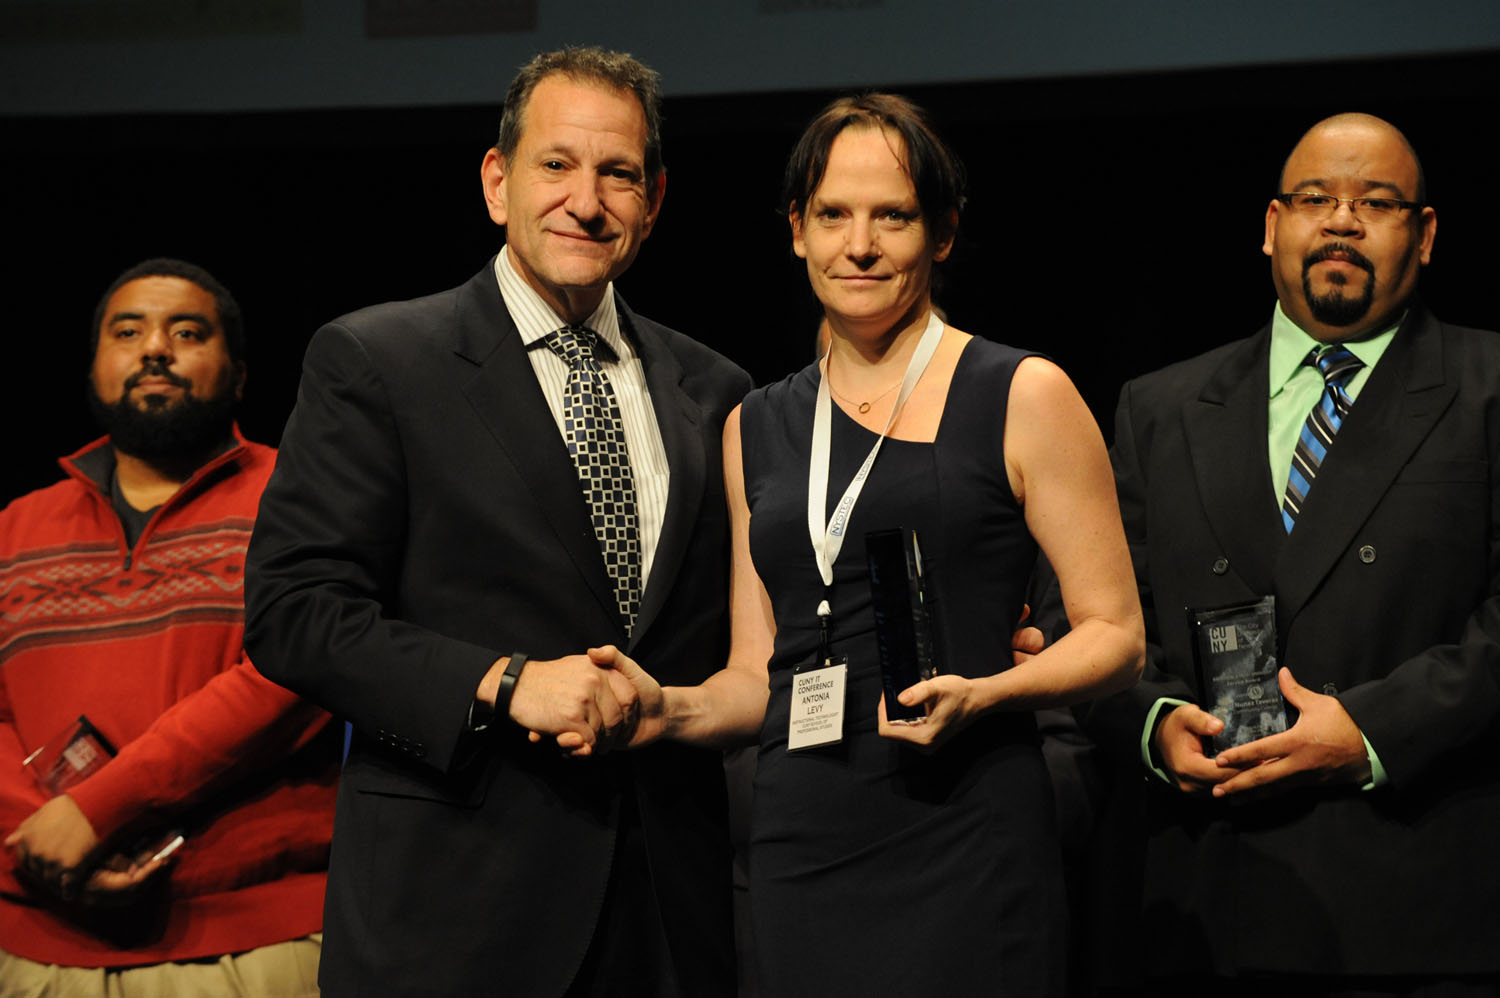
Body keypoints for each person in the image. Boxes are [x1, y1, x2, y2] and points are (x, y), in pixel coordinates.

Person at [592, 93, 1144, 995]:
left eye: (893, 216)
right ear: (797, 231)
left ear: (943, 234)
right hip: (798, 838)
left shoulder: (1022, 392)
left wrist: (991, 692)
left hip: (965, 826)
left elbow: (1115, 636)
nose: (861, 245)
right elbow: (755, 672)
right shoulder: (752, 426)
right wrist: (668, 711)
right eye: (834, 215)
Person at [244, 47, 752, 997]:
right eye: (556, 165)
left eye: (619, 174)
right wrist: (504, 682)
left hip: (669, 917)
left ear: (655, 201)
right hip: (453, 915)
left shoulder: (716, 390)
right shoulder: (379, 360)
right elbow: (295, 614)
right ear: (496, 180)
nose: (587, 200)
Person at [1093, 113, 1500, 993]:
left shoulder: (1488, 389)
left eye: (1377, 201)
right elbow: (1096, 621)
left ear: (1424, 236)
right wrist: (1158, 725)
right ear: (1273, 226)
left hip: (1420, 906)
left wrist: (1369, 731)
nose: (1342, 221)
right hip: (1204, 908)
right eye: (1317, 198)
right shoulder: (1158, 408)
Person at [0, 258, 337, 997]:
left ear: (239, 374)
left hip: (250, 938)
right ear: (94, 367)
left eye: (187, 332)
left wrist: (95, 811)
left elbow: (293, 678)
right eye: (129, 331)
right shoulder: (16, 527)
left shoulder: (299, 499)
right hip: (33, 946)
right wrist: (38, 842)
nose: (155, 348)